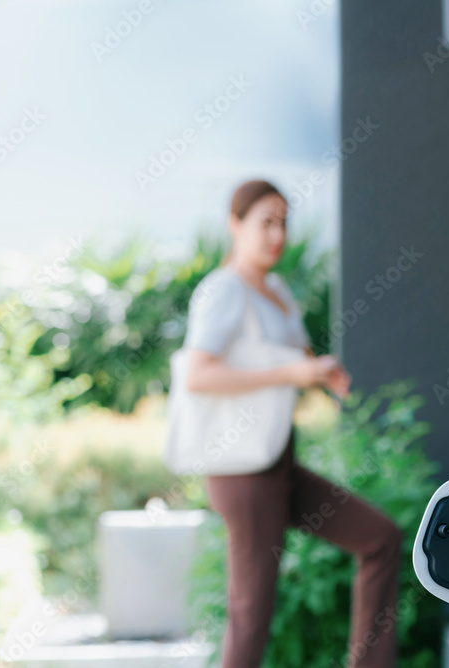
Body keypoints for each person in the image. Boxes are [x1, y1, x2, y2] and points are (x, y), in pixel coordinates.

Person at [182, 179, 403, 668]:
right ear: (234, 225)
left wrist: (320, 372)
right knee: (250, 612)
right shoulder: (223, 291)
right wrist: (292, 372)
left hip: (278, 462)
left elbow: (298, 358)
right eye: (265, 222)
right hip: (243, 473)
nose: (277, 234)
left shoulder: (276, 290)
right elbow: (198, 373)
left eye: (283, 222)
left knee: (380, 538)